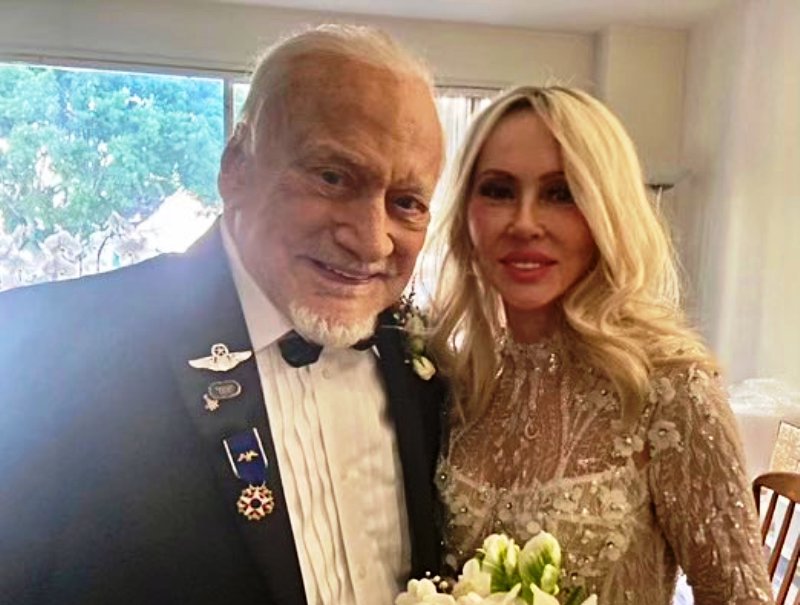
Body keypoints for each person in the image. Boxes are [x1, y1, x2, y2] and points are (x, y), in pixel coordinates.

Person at [0, 25, 446, 605]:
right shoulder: (44, 352)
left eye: (406, 202)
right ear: (236, 166)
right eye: (332, 177)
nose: (370, 240)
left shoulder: (426, 372)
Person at [428, 86, 774, 604]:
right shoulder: (459, 382)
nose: (524, 222)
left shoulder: (670, 390)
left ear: (607, 211)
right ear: (465, 214)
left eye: (561, 193)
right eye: (498, 190)